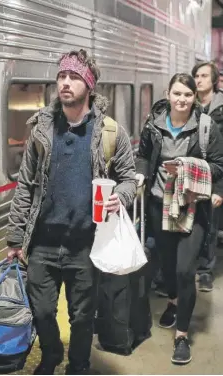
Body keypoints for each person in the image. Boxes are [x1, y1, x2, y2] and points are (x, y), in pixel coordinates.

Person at [6, 49, 137, 375]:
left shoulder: (109, 133)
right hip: (43, 244)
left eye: (74, 77)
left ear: (89, 85)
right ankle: (50, 355)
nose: (65, 83)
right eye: (62, 76)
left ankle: (78, 365)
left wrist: (119, 197)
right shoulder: (40, 130)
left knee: (81, 316)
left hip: (85, 245)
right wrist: (15, 236)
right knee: (42, 311)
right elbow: (25, 185)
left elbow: (129, 180)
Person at [135, 73, 223, 365]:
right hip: (160, 203)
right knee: (168, 265)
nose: (182, 99)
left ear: (194, 97)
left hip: (192, 207)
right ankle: (173, 300)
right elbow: (144, 154)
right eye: (177, 94)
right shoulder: (154, 124)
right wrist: (140, 173)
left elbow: (219, 164)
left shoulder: (206, 128)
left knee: (186, 270)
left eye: (187, 94)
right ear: (168, 94)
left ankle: (182, 336)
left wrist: (188, 169)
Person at [192, 61, 223, 291]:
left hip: (216, 172)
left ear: (214, 81)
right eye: (196, 75)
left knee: (211, 223)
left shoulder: (221, 108)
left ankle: (205, 271)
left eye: (204, 75)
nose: (199, 79)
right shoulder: (188, 105)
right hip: (191, 173)